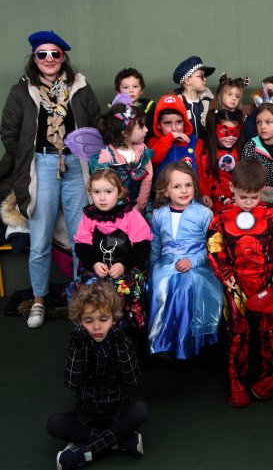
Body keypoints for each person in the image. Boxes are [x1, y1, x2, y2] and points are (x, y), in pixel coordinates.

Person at [0, 30, 100, 328]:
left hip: (76, 164)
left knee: (81, 237)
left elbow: (95, 122)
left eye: (54, 53)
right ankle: (39, 300)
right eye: (42, 54)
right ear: (34, 58)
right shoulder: (22, 91)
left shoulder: (79, 86)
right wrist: (27, 160)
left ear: (62, 57)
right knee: (40, 238)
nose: (48, 59)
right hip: (41, 165)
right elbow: (9, 133)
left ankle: (82, 300)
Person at [207, 159, 273, 407]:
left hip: (267, 282)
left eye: (254, 197)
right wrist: (225, 274)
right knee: (237, 335)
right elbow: (214, 249)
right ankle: (236, 383)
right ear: (231, 188)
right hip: (236, 284)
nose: (248, 202)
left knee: (271, 334)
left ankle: (272, 378)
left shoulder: (271, 214)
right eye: (243, 197)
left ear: (262, 190)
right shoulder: (220, 219)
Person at [47, 280, 149, 470]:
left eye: (103, 319)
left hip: (117, 410)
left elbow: (133, 380)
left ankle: (84, 452)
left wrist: (121, 346)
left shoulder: (121, 340)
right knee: (55, 424)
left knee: (140, 410)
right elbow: (71, 383)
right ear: (80, 321)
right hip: (86, 413)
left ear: (114, 319)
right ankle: (119, 441)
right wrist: (78, 349)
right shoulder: (78, 341)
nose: (96, 326)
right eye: (88, 320)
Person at [148, 162, 223, 358]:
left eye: (188, 185)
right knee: (161, 285)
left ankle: (188, 342)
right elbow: (156, 244)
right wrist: (152, 268)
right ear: (166, 191)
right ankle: (163, 341)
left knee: (184, 286)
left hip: (198, 264)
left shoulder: (204, 214)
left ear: (194, 187)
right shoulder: (159, 215)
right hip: (166, 263)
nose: (184, 190)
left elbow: (213, 247)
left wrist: (193, 260)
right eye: (177, 186)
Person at [71, 169, 152, 332]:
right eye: (96, 192)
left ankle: (127, 333)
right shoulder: (88, 217)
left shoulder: (130, 215)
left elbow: (142, 246)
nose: (102, 198)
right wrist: (94, 264)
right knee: (86, 291)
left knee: (126, 289)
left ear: (119, 192)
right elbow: (82, 246)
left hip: (127, 269)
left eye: (108, 192)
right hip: (97, 269)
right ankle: (92, 332)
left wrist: (123, 265)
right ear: (90, 193)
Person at [91, 101, 153, 216]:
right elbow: (102, 185)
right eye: (141, 126)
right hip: (116, 209)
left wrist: (140, 205)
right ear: (125, 134)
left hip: (141, 206)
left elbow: (148, 178)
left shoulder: (143, 150)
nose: (146, 130)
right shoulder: (107, 155)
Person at [147, 94, 204, 182]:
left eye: (178, 122)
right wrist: (170, 137)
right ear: (158, 125)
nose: (174, 128)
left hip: (191, 190)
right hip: (164, 190)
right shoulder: (153, 142)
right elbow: (155, 159)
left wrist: (203, 191)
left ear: (185, 122)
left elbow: (201, 176)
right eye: (167, 123)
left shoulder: (196, 142)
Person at [198, 108, 245, 212]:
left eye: (235, 132)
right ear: (214, 130)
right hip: (218, 203)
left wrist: (240, 196)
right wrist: (223, 198)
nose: (231, 137)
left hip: (240, 199)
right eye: (225, 132)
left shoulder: (240, 151)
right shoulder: (208, 154)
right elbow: (210, 180)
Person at [173, 55, 215, 140]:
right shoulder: (175, 103)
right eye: (201, 76)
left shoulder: (209, 102)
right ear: (188, 81)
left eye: (205, 76)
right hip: (184, 147)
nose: (205, 79)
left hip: (206, 147)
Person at [113, 67, 155, 142]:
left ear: (141, 90)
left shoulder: (150, 109)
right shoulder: (115, 112)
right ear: (118, 92)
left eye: (135, 86)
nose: (131, 90)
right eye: (126, 87)